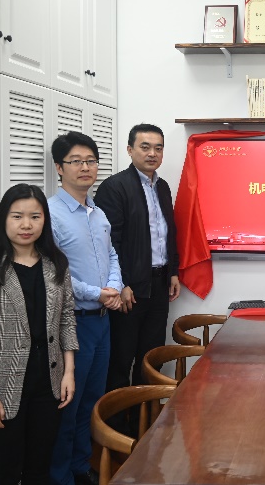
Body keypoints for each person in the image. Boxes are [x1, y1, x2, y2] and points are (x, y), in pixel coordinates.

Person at [0, 184, 77, 485]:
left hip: (48, 387)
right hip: (1, 389)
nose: (27, 225)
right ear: (4, 220)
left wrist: (68, 372)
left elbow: (66, 319)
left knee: (39, 471)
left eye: (35, 216)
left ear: (44, 220)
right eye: (17, 216)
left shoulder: (56, 265)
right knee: (5, 474)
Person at [48, 131, 123, 485]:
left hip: (102, 321)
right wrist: (99, 293)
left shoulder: (97, 212)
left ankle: (80, 467)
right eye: (76, 161)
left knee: (92, 399)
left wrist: (115, 287)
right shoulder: (51, 214)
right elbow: (54, 272)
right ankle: (61, 476)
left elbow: (112, 254)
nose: (85, 167)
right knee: (69, 403)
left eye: (90, 161)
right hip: (73, 323)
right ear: (59, 168)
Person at [94, 124, 181, 408]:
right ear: (130, 150)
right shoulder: (114, 187)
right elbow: (110, 242)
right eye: (145, 147)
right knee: (121, 360)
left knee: (150, 357)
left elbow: (168, 233)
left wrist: (173, 272)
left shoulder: (162, 187)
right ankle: (118, 425)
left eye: (158, 148)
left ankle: (146, 421)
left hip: (159, 284)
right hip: (130, 288)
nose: (152, 153)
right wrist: (122, 283)